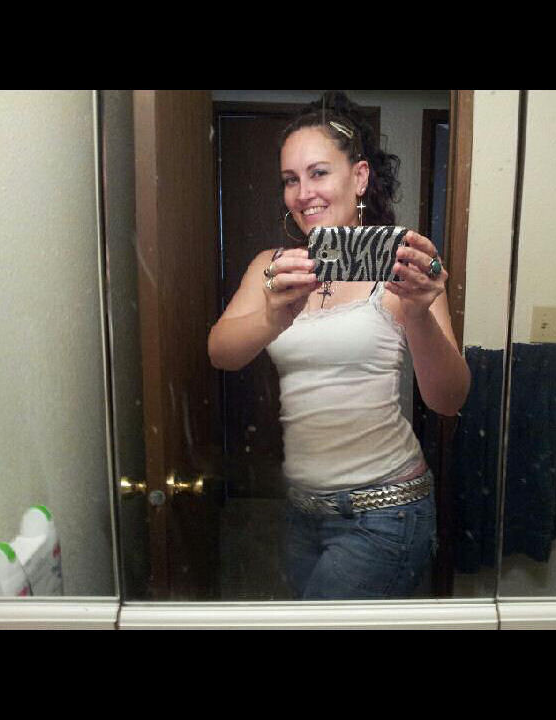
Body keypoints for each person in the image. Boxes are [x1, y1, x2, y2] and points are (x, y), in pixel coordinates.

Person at [208, 91, 470, 600]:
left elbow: (448, 400)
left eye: (318, 173)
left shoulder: (402, 264)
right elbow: (222, 353)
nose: (302, 192)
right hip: (301, 512)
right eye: (290, 179)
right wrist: (273, 315)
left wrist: (418, 314)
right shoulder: (272, 267)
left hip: (386, 512)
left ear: (360, 177)